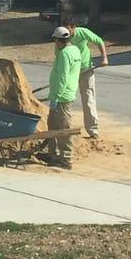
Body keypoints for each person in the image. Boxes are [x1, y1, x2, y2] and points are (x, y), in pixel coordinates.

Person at [62, 17, 109, 138]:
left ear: (74, 28)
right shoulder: (62, 36)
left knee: (88, 99)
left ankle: (93, 130)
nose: (67, 33)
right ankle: (64, 129)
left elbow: (99, 41)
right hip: (70, 71)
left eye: (69, 30)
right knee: (66, 99)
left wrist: (104, 58)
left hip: (85, 70)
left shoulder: (83, 32)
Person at [47, 26, 81, 170]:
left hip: (62, 97)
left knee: (64, 129)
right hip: (64, 94)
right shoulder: (74, 49)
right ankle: (53, 155)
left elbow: (63, 77)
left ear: (58, 40)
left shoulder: (65, 54)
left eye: (55, 40)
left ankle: (66, 160)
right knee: (52, 126)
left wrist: (56, 97)